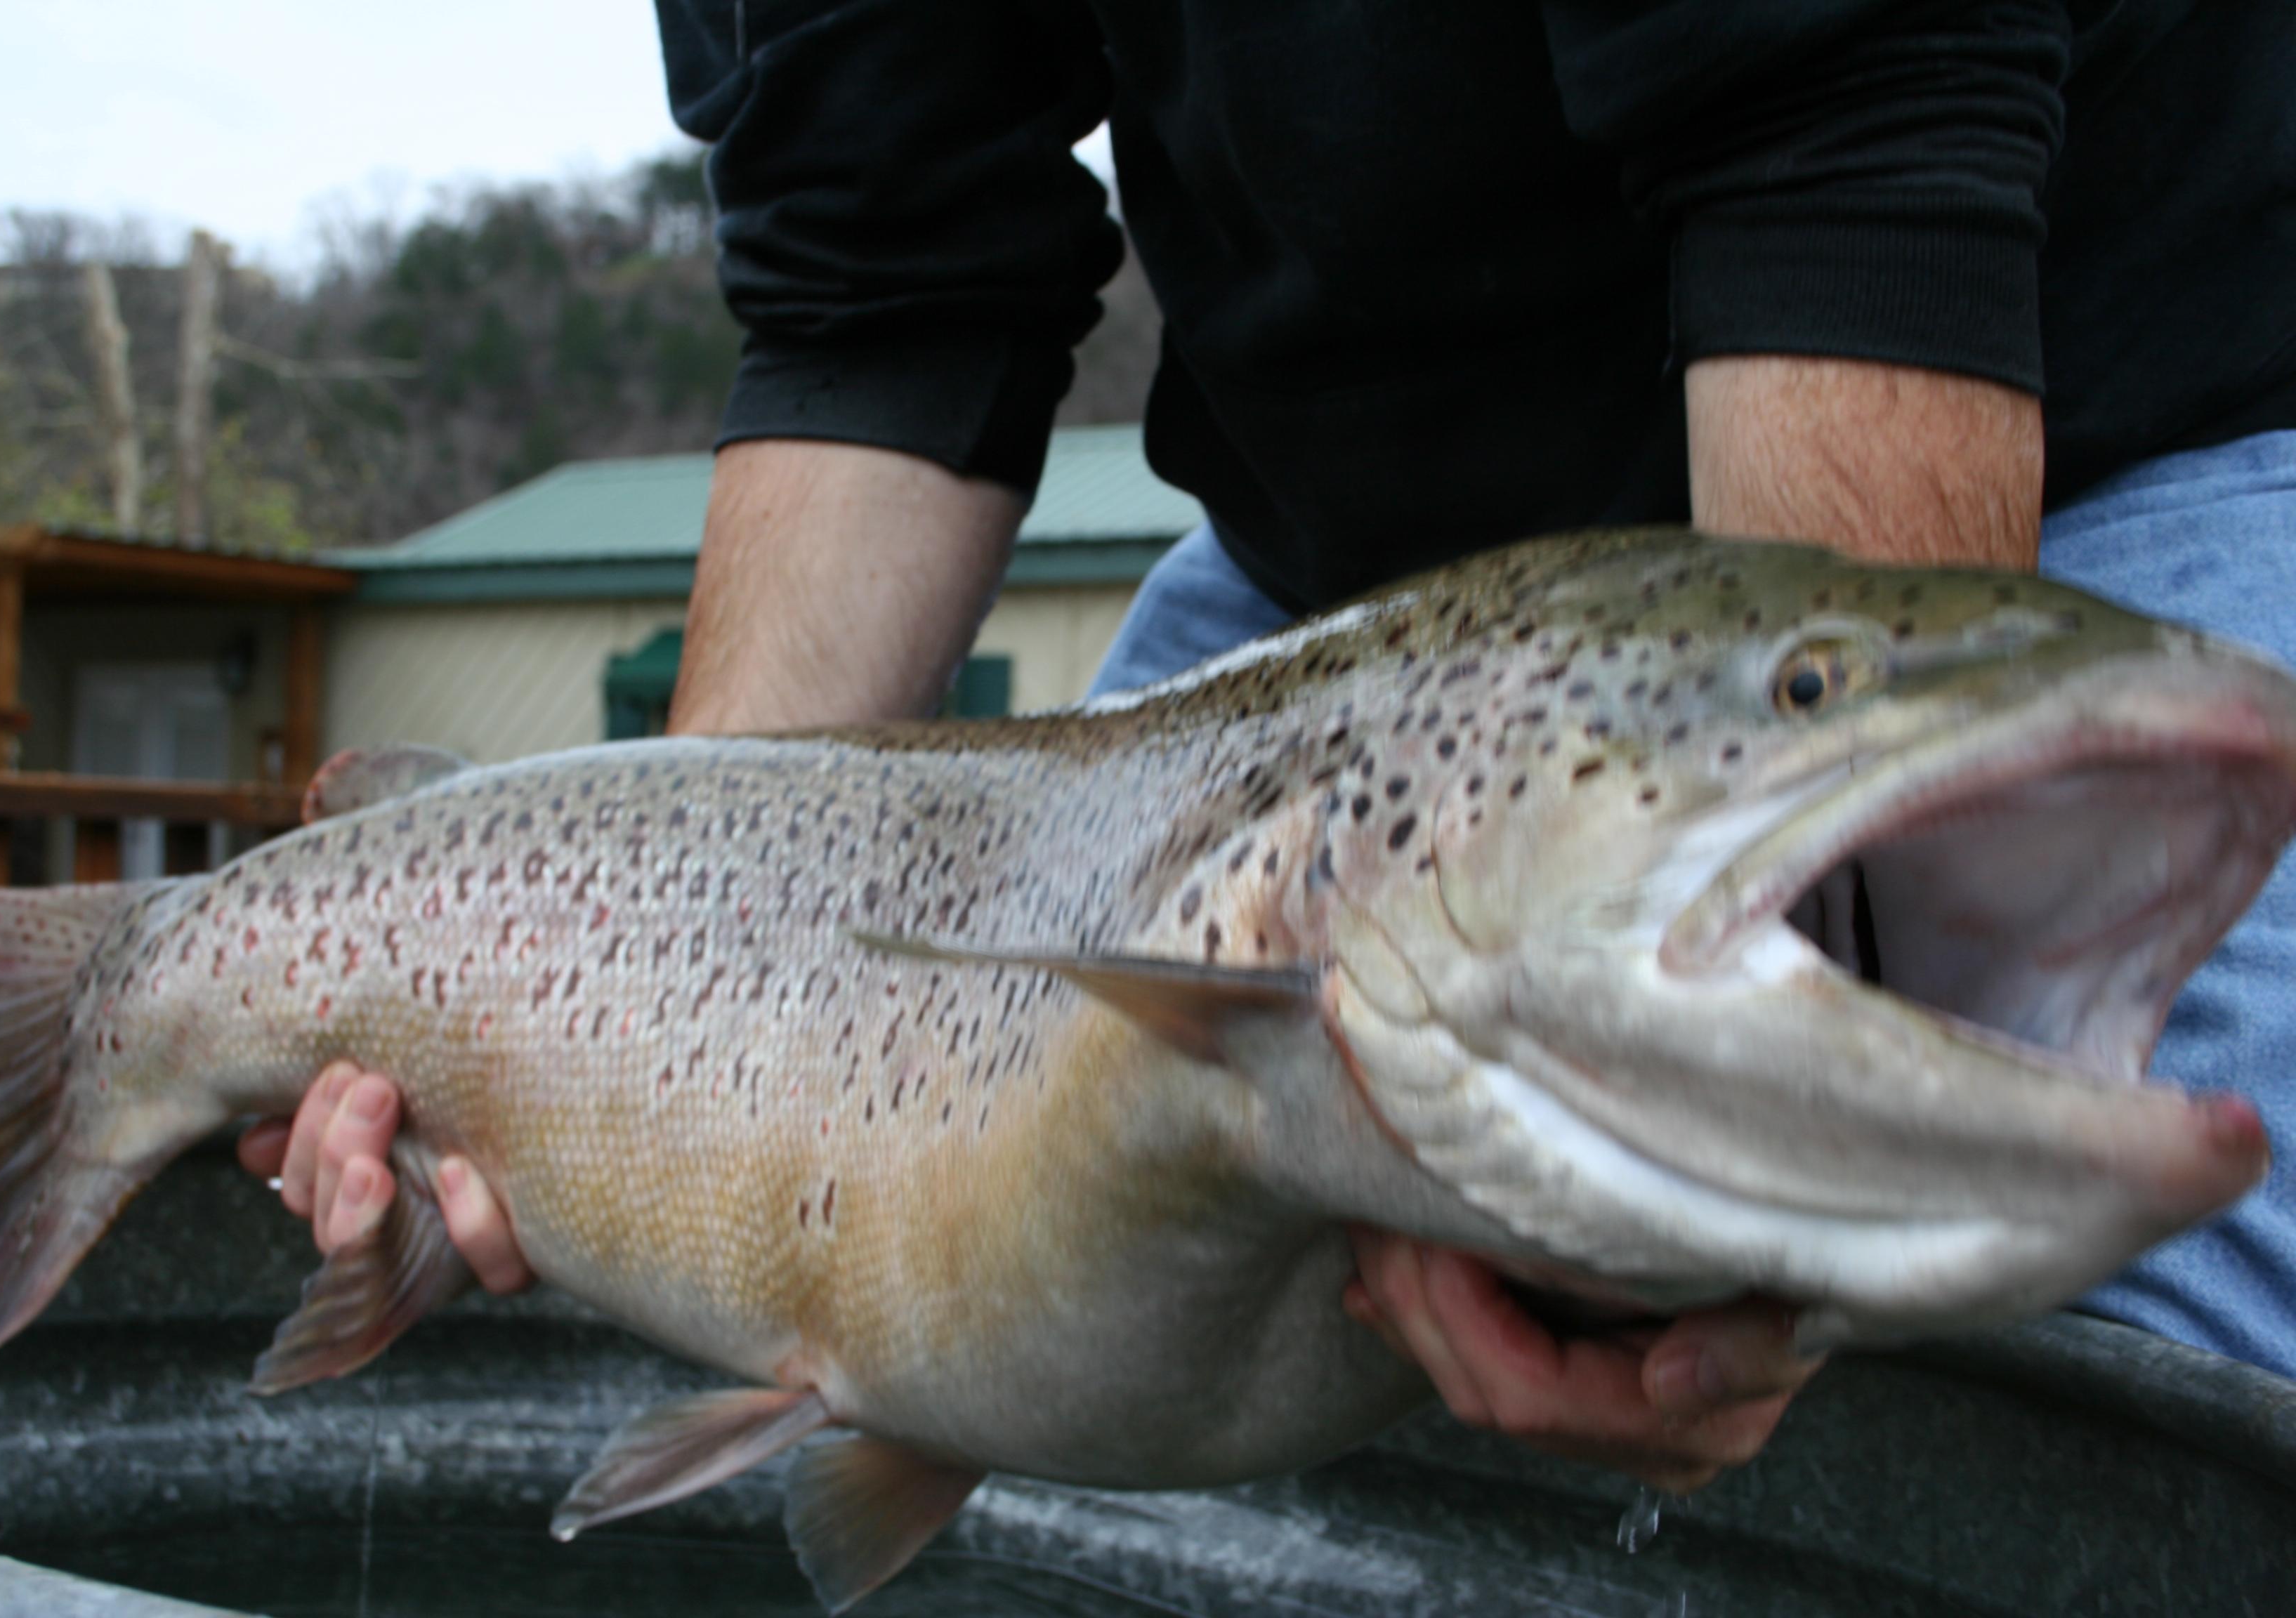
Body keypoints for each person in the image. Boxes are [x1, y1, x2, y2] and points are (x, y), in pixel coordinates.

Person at [242, 0, 2296, 1492]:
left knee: (2052, 1387)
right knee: (1008, 1326)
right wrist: (628, 1044)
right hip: (1334, 607)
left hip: (2083, 434)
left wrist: (1786, 1213)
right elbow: (886, 283)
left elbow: (1851, 130)